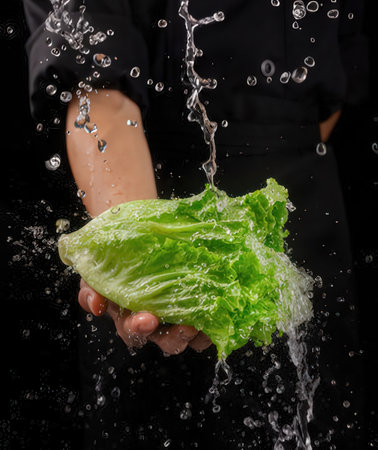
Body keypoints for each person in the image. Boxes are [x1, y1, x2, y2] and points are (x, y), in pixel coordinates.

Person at [22, 0, 369, 448]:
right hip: (144, 189)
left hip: (303, 210)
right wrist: (142, 263)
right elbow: (99, 93)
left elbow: (336, 83)